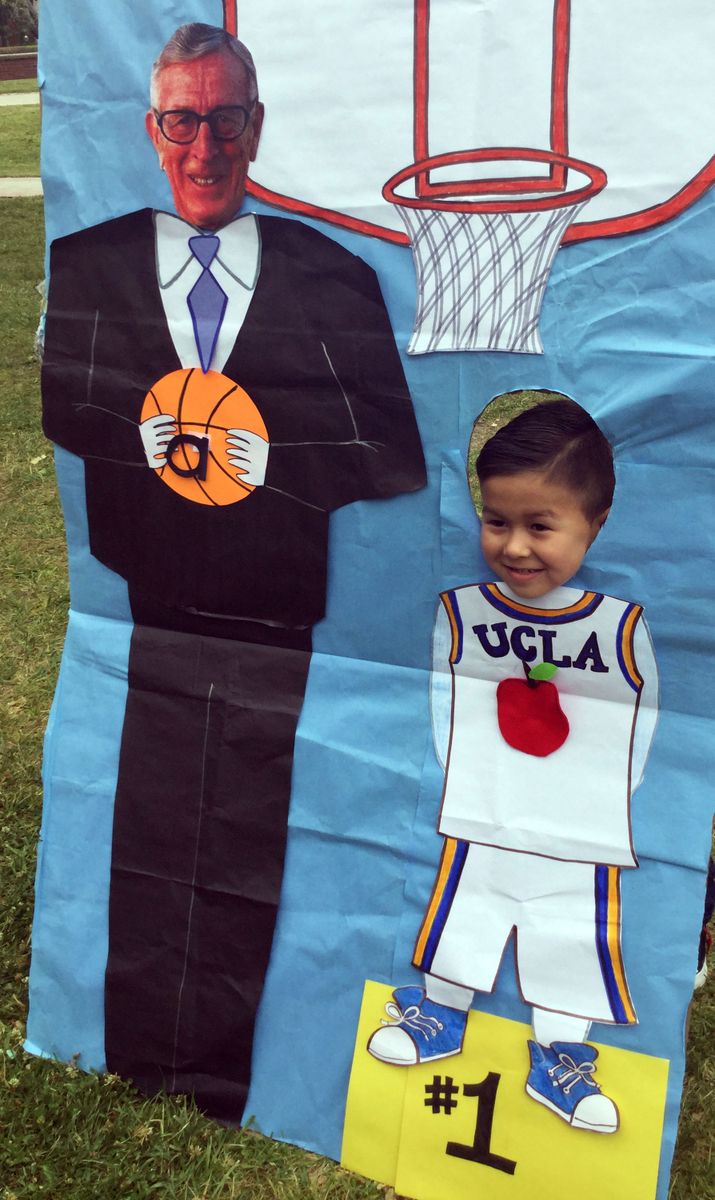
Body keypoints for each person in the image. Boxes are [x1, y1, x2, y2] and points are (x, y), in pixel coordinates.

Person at [41, 22, 425, 1121]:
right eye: (181, 122)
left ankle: (216, 1068)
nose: (202, 148)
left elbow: (391, 451)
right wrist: (150, 436)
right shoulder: (90, 263)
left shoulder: (332, 278)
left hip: (272, 594)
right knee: (152, 816)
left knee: (244, 824)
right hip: (151, 589)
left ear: (256, 128)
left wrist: (271, 458)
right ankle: (137, 1050)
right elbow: (68, 410)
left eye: (224, 120)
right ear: (151, 129)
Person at [367, 395, 658, 1136]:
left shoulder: (621, 625)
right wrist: (473, 783)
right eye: (497, 521)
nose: (515, 546)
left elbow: (645, 728)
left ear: (596, 525)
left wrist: (592, 803)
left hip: (581, 831)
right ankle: (440, 1014)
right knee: (466, 911)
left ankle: (561, 1059)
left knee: (572, 938)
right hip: (484, 811)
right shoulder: (463, 611)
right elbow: (443, 707)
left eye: (540, 526)